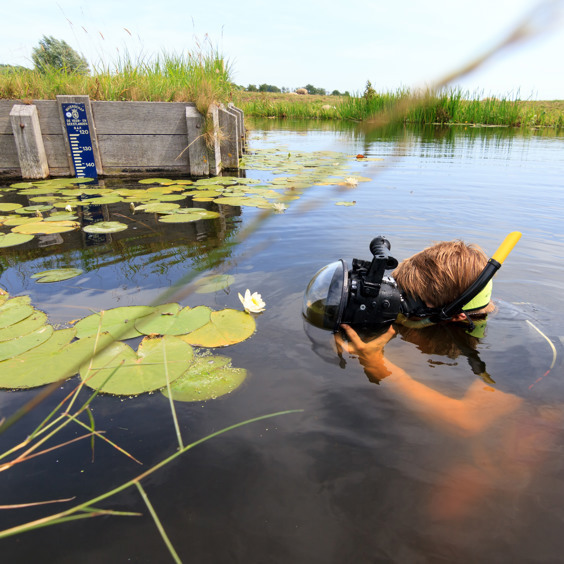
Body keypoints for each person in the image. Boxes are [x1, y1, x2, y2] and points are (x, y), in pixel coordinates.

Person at [334, 239, 563, 519]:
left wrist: (378, 365)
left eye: (410, 307)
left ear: (455, 316)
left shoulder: (518, 349)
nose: (402, 309)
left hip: (550, 403)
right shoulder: (462, 307)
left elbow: (467, 419)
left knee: (474, 478)